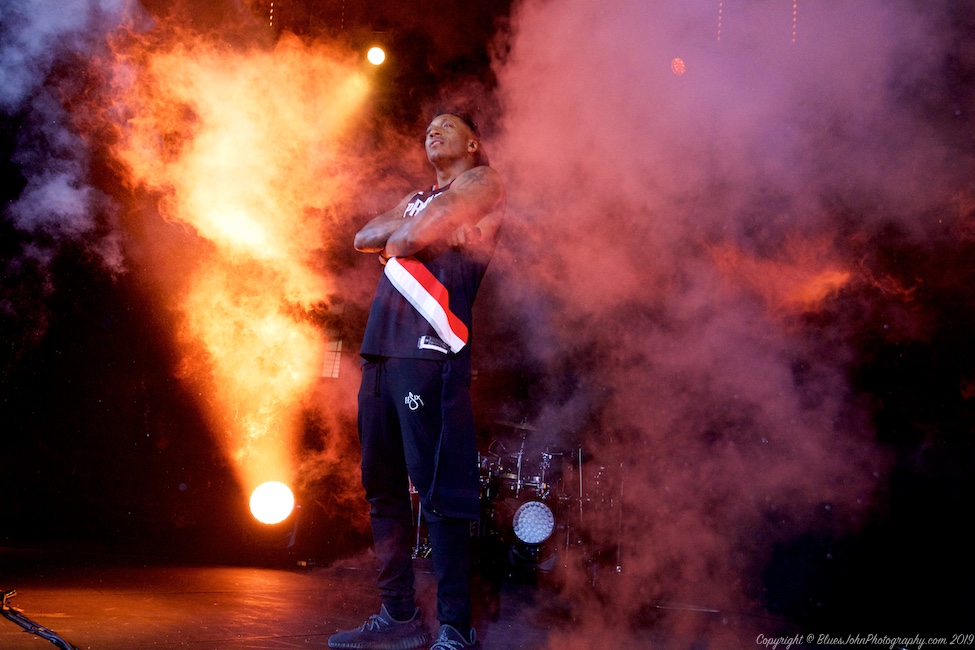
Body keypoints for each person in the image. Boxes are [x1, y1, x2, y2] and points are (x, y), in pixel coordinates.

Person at [328, 111, 505, 650]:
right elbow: (364, 236)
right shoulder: (416, 196)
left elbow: (408, 236)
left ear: (472, 144)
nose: (433, 129)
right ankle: (399, 615)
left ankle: (455, 626)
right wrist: (409, 231)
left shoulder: (483, 181)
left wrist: (408, 232)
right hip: (381, 349)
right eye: (428, 125)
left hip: (430, 347)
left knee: (438, 490)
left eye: (447, 125)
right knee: (382, 487)